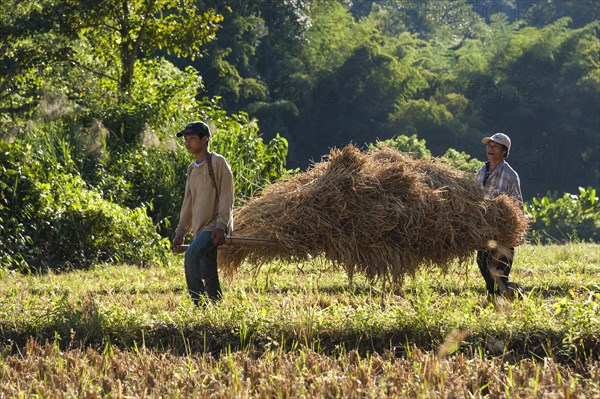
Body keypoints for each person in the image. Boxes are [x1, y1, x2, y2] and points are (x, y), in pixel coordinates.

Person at [172, 121, 234, 306]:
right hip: (199, 229)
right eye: (186, 139)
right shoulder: (192, 169)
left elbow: (226, 196)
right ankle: (216, 306)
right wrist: (181, 232)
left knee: (191, 255)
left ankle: (200, 306)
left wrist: (221, 226)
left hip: (214, 227)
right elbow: (188, 203)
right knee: (208, 271)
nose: (187, 143)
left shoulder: (217, 163)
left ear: (205, 139)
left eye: (192, 138)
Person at [475, 133, 523, 298]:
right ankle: (505, 296)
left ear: (504, 151)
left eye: (495, 146)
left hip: (503, 232)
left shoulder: (510, 175)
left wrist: (517, 233)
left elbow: (517, 204)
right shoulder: (481, 172)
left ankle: (510, 296)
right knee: (483, 263)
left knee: (499, 272)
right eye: (489, 145)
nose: (490, 148)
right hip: (484, 231)